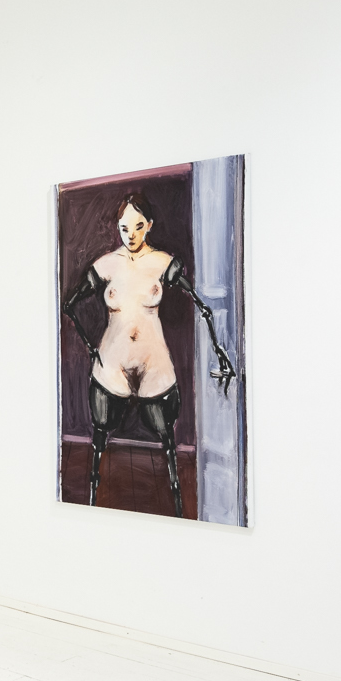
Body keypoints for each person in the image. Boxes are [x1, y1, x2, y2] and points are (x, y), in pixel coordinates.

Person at [61, 191, 236, 517]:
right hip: (111, 365)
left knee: (168, 443)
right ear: (118, 227)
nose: (131, 235)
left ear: (150, 225)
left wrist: (219, 350)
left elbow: (203, 307)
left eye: (138, 227)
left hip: (154, 363)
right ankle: (88, 511)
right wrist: (90, 348)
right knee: (99, 443)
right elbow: (69, 306)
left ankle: (181, 513)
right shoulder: (106, 264)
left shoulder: (163, 263)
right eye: (125, 228)